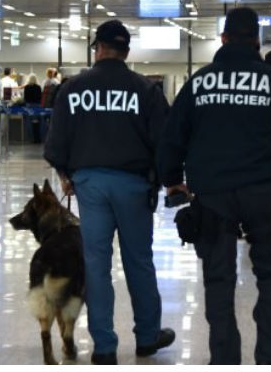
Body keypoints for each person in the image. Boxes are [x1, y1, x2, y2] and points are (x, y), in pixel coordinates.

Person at [158, 7, 271, 365]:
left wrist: (173, 181)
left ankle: (224, 360)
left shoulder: (200, 82)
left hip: (212, 194)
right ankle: (269, 358)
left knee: (219, 281)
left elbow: (172, 137)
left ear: (223, 39)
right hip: (262, 192)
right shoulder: (269, 79)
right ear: (257, 40)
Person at [44, 19, 174, 365]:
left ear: (97, 48)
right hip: (133, 183)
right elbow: (163, 142)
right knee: (139, 261)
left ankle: (104, 347)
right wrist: (161, 179)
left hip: (90, 184)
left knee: (96, 265)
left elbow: (56, 142)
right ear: (126, 52)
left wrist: (64, 174)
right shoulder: (145, 89)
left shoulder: (73, 88)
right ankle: (147, 337)